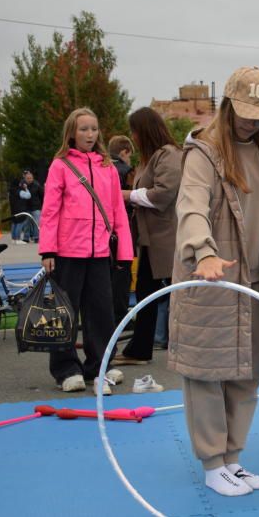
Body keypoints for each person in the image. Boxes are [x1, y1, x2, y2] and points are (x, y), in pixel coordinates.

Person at [168, 66, 259, 497]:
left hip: (256, 281)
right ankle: (212, 463)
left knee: (247, 370)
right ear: (226, 105)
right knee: (207, 372)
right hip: (212, 279)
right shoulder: (203, 153)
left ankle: (233, 459)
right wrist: (202, 252)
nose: (250, 120)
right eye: (243, 112)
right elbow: (191, 207)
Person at [39, 108, 133, 394]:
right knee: (66, 313)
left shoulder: (108, 167)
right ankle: (65, 368)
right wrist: (48, 251)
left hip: (100, 252)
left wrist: (125, 253)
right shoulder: (60, 165)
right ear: (72, 132)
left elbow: (118, 210)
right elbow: (50, 211)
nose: (90, 134)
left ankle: (99, 366)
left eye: (94, 129)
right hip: (68, 252)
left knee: (101, 312)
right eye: (83, 129)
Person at [112, 107, 182, 365]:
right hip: (153, 240)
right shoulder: (152, 157)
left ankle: (141, 349)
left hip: (167, 238)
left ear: (144, 130)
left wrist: (126, 195)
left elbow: (162, 194)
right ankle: (140, 349)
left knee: (164, 294)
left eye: (135, 131)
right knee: (147, 293)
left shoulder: (169, 155)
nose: (134, 137)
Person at [107, 135, 137, 331]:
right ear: (124, 153)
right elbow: (132, 198)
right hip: (121, 230)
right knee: (121, 277)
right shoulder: (127, 172)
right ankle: (119, 318)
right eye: (130, 157)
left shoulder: (98, 166)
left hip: (100, 231)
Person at [20, 172, 44, 243]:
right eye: (28, 178)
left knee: (36, 223)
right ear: (25, 178)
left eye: (30, 178)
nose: (29, 180)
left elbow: (42, 196)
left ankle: (37, 237)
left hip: (36, 207)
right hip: (27, 207)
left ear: (32, 178)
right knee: (26, 223)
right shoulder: (23, 187)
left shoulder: (37, 186)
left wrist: (41, 205)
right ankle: (26, 237)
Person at [7, 178, 29, 244]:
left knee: (14, 223)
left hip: (13, 209)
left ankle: (14, 238)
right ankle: (18, 239)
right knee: (20, 223)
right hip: (20, 209)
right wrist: (26, 189)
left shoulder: (10, 191)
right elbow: (28, 196)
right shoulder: (20, 191)